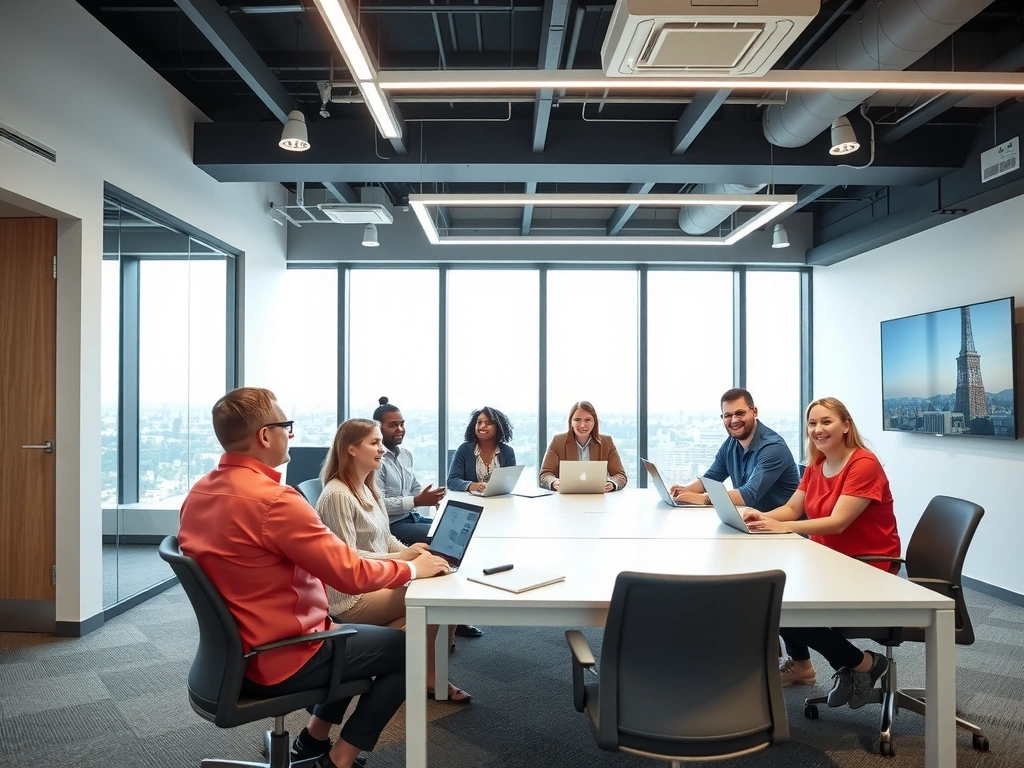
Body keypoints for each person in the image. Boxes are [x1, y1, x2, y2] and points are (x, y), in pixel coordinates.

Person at [178, 388, 451, 768]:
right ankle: (338, 760)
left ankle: (312, 740)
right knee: (407, 648)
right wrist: (413, 568)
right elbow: (349, 573)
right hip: (283, 653)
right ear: (265, 435)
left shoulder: (199, 492)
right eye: (286, 426)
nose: (290, 434)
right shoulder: (276, 501)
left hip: (232, 654)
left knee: (355, 638)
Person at [742, 397, 901, 708]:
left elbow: (839, 522)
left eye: (826, 421)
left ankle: (863, 663)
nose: (817, 429)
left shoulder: (863, 464)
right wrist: (761, 518)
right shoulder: (817, 463)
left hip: (866, 566)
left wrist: (783, 527)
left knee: (781, 602)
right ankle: (846, 663)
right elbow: (792, 508)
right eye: (812, 423)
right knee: (771, 590)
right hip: (827, 561)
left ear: (846, 425)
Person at [317, 418, 472, 703]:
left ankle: (425, 665)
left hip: (377, 579)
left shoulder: (367, 487)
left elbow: (386, 538)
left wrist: (414, 551)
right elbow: (347, 557)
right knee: (436, 596)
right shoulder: (337, 495)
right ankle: (430, 676)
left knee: (438, 587)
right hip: (352, 595)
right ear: (351, 449)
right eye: (374, 443)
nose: (382, 449)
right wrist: (404, 559)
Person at [374, 396, 483, 639]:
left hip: (410, 517)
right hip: (392, 525)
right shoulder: (376, 460)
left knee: (457, 535)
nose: (400, 429)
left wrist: (431, 498)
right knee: (443, 542)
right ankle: (449, 614)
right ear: (378, 427)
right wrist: (417, 501)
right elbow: (379, 505)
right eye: (393, 425)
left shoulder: (405, 455)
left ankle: (454, 608)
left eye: (402, 424)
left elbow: (414, 488)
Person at [669, 388, 800, 511]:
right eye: (728, 415)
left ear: (754, 412)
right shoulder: (731, 443)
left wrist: (703, 499)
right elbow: (712, 478)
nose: (734, 420)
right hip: (749, 519)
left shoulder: (773, 448)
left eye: (740, 413)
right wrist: (684, 491)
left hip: (779, 524)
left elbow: (748, 494)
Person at [539, 401, 627, 492]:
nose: (582, 425)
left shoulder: (606, 442)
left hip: (597, 497)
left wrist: (612, 483)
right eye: (577, 420)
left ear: (594, 422)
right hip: (566, 497)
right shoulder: (558, 441)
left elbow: (620, 475)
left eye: (588, 420)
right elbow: (545, 475)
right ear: (571, 422)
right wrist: (554, 482)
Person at [446, 406, 517, 493]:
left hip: (498, 499)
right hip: (470, 500)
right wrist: (472, 486)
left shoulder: (508, 452)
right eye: (479, 422)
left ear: (497, 427)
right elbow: (452, 481)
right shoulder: (464, 449)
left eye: (488, 423)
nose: (482, 426)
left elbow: (510, 483)